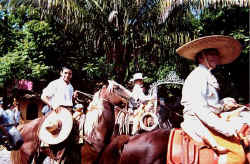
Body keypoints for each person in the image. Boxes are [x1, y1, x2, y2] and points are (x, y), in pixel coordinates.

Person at [176, 35, 244, 158]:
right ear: (201, 56)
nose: (217, 57)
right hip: (198, 121)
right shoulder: (198, 76)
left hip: (208, 118)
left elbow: (210, 104)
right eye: (212, 54)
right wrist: (226, 129)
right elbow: (200, 109)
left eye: (216, 54)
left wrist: (223, 103)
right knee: (237, 156)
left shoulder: (206, 75)